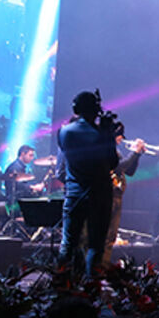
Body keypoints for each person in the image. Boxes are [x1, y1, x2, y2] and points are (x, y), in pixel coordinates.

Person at [57, 90, 119, 274]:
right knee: (96, 246)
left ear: (76, 109)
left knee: (68, 242)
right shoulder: (101, 134)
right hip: (100, 196)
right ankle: (92, 286)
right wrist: (108, 135)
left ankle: (60, 283)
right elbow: (113, 162)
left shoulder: (64, 132)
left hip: (74, 194)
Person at [102, 136, 147, 267]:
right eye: (119, 136)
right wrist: (134, 152)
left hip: (116, 195)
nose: (121, 139)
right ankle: (98, 270)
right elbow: (118, 167)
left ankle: (103, 268)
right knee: (104, 236)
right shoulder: (105, 151)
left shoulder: (116, 152)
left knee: (111, 237)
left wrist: (137, 155)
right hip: (107, 196)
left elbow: (130, 171)